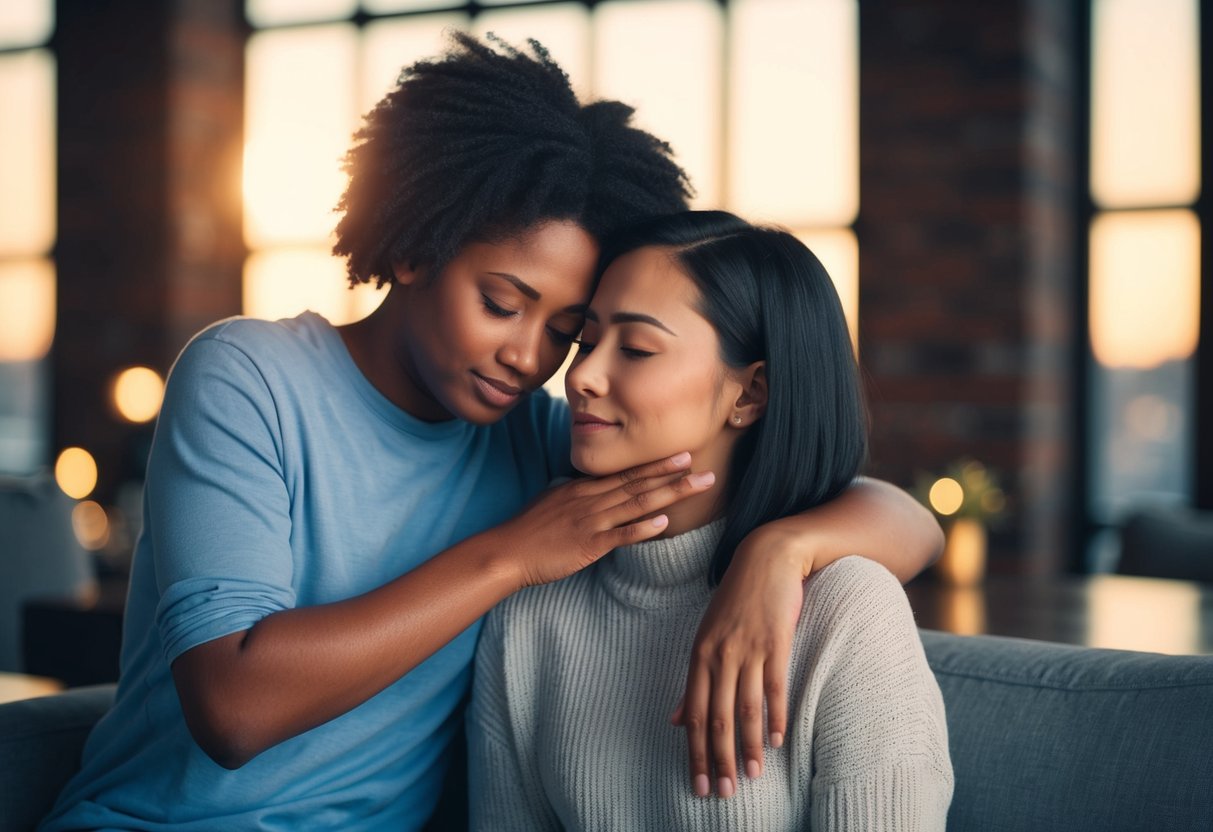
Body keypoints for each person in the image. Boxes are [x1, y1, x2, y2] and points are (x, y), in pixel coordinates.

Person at [42, 36, 941, 831]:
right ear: (413, 249)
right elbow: (232, 708)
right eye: (503, 304)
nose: (534, 358)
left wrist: (777, 555)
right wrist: (510, 556)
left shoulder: (540, 437)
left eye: (564, 329)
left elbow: (900, 517)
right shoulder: (248, 377)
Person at [468, 211, 954, 831]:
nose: (581, 376)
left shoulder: (846, 612)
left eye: (637, 349)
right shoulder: (529, 617)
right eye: (586, 342)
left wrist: (776, 551)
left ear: (750, 395)